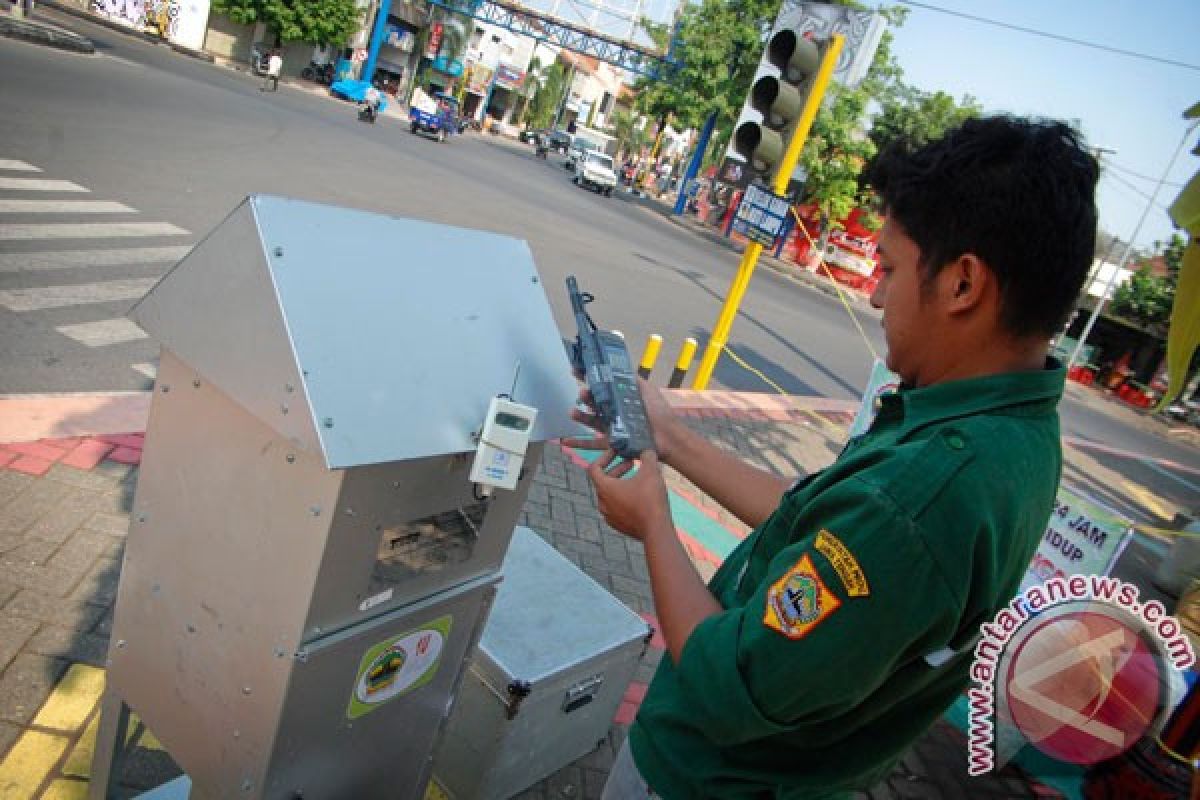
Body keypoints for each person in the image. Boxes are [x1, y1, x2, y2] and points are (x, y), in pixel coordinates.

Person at [566, 115, 1099, 799]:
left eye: (890, 267)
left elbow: (728, 690)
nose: (874, 295)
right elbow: (812, 518)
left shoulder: (918, 499)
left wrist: (654, 523)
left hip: (706, 780)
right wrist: (671, 437)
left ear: (963, 285)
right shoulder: (1017, 429)